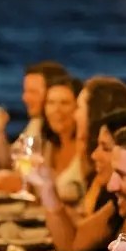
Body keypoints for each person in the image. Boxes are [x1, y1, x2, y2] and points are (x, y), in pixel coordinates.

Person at [31, 104, 126, 251]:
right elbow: (72, 242)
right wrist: (48, 190)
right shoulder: (120, 200)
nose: (95, 155)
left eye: (105, 148)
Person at [0, 60, 68, 169]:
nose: (25, 98)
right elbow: (10, 162)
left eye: (33, 92)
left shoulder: (65, 130)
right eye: (25, 91)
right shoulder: (36, 122)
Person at [40, 75, 86, 205]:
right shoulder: (49, 146)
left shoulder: (85, 151)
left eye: (64, 103)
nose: (56, 110)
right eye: (51, 103)